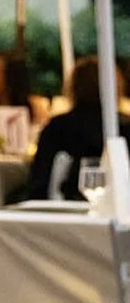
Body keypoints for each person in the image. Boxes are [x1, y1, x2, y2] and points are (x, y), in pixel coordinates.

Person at [28, 57, 125, 200]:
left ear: (73, 87)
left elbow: (39, 182)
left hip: (63, 208)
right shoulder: (122, 127)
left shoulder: (56, 128)